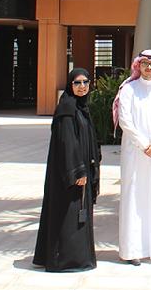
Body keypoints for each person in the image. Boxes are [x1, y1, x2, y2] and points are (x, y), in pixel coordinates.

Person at [34, 68, 101, 272]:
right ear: (70, 85)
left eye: (85, 82)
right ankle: (66, 260)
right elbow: (67, 142)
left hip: (81, 169)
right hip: (69, 175)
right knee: (68, 215)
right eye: (77, 83)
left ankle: (77, 256)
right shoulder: (67, 108)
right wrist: (78, 171)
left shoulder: (81, 107)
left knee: (77, 214)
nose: (82, 87)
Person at [113, 50, 151, 266]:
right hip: (135, 153)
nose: (149, 68)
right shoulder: (128, 90)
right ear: (138, 66)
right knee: (134, 199)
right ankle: (133, 250)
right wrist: (144, 144)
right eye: (145, 64)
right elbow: (125, 120)